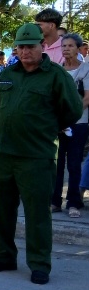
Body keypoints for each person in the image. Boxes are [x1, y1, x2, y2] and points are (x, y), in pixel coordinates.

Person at [0, 23, 83, 284]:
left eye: (31, 46)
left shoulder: (56, 75)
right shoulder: (7, 74)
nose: (25, 51)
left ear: (42, 46)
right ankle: (4, 256)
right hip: (5, 153)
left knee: (37, 213)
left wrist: (47, 127)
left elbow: (73, 110)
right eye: (21, 47)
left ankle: (39, 264)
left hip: (37, 155)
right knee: (2, 210)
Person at [53, 33, 89, 217]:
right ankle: (55, 201)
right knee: (56, 164)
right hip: (58, 124)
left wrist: (70, 117)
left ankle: (74, 203)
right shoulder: (57, 70)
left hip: (79, 123)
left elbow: (87, 98)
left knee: (74, 164)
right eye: (64, 46)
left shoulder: (85, 69)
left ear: (79, 48)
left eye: (70, 46)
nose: (66, 49)